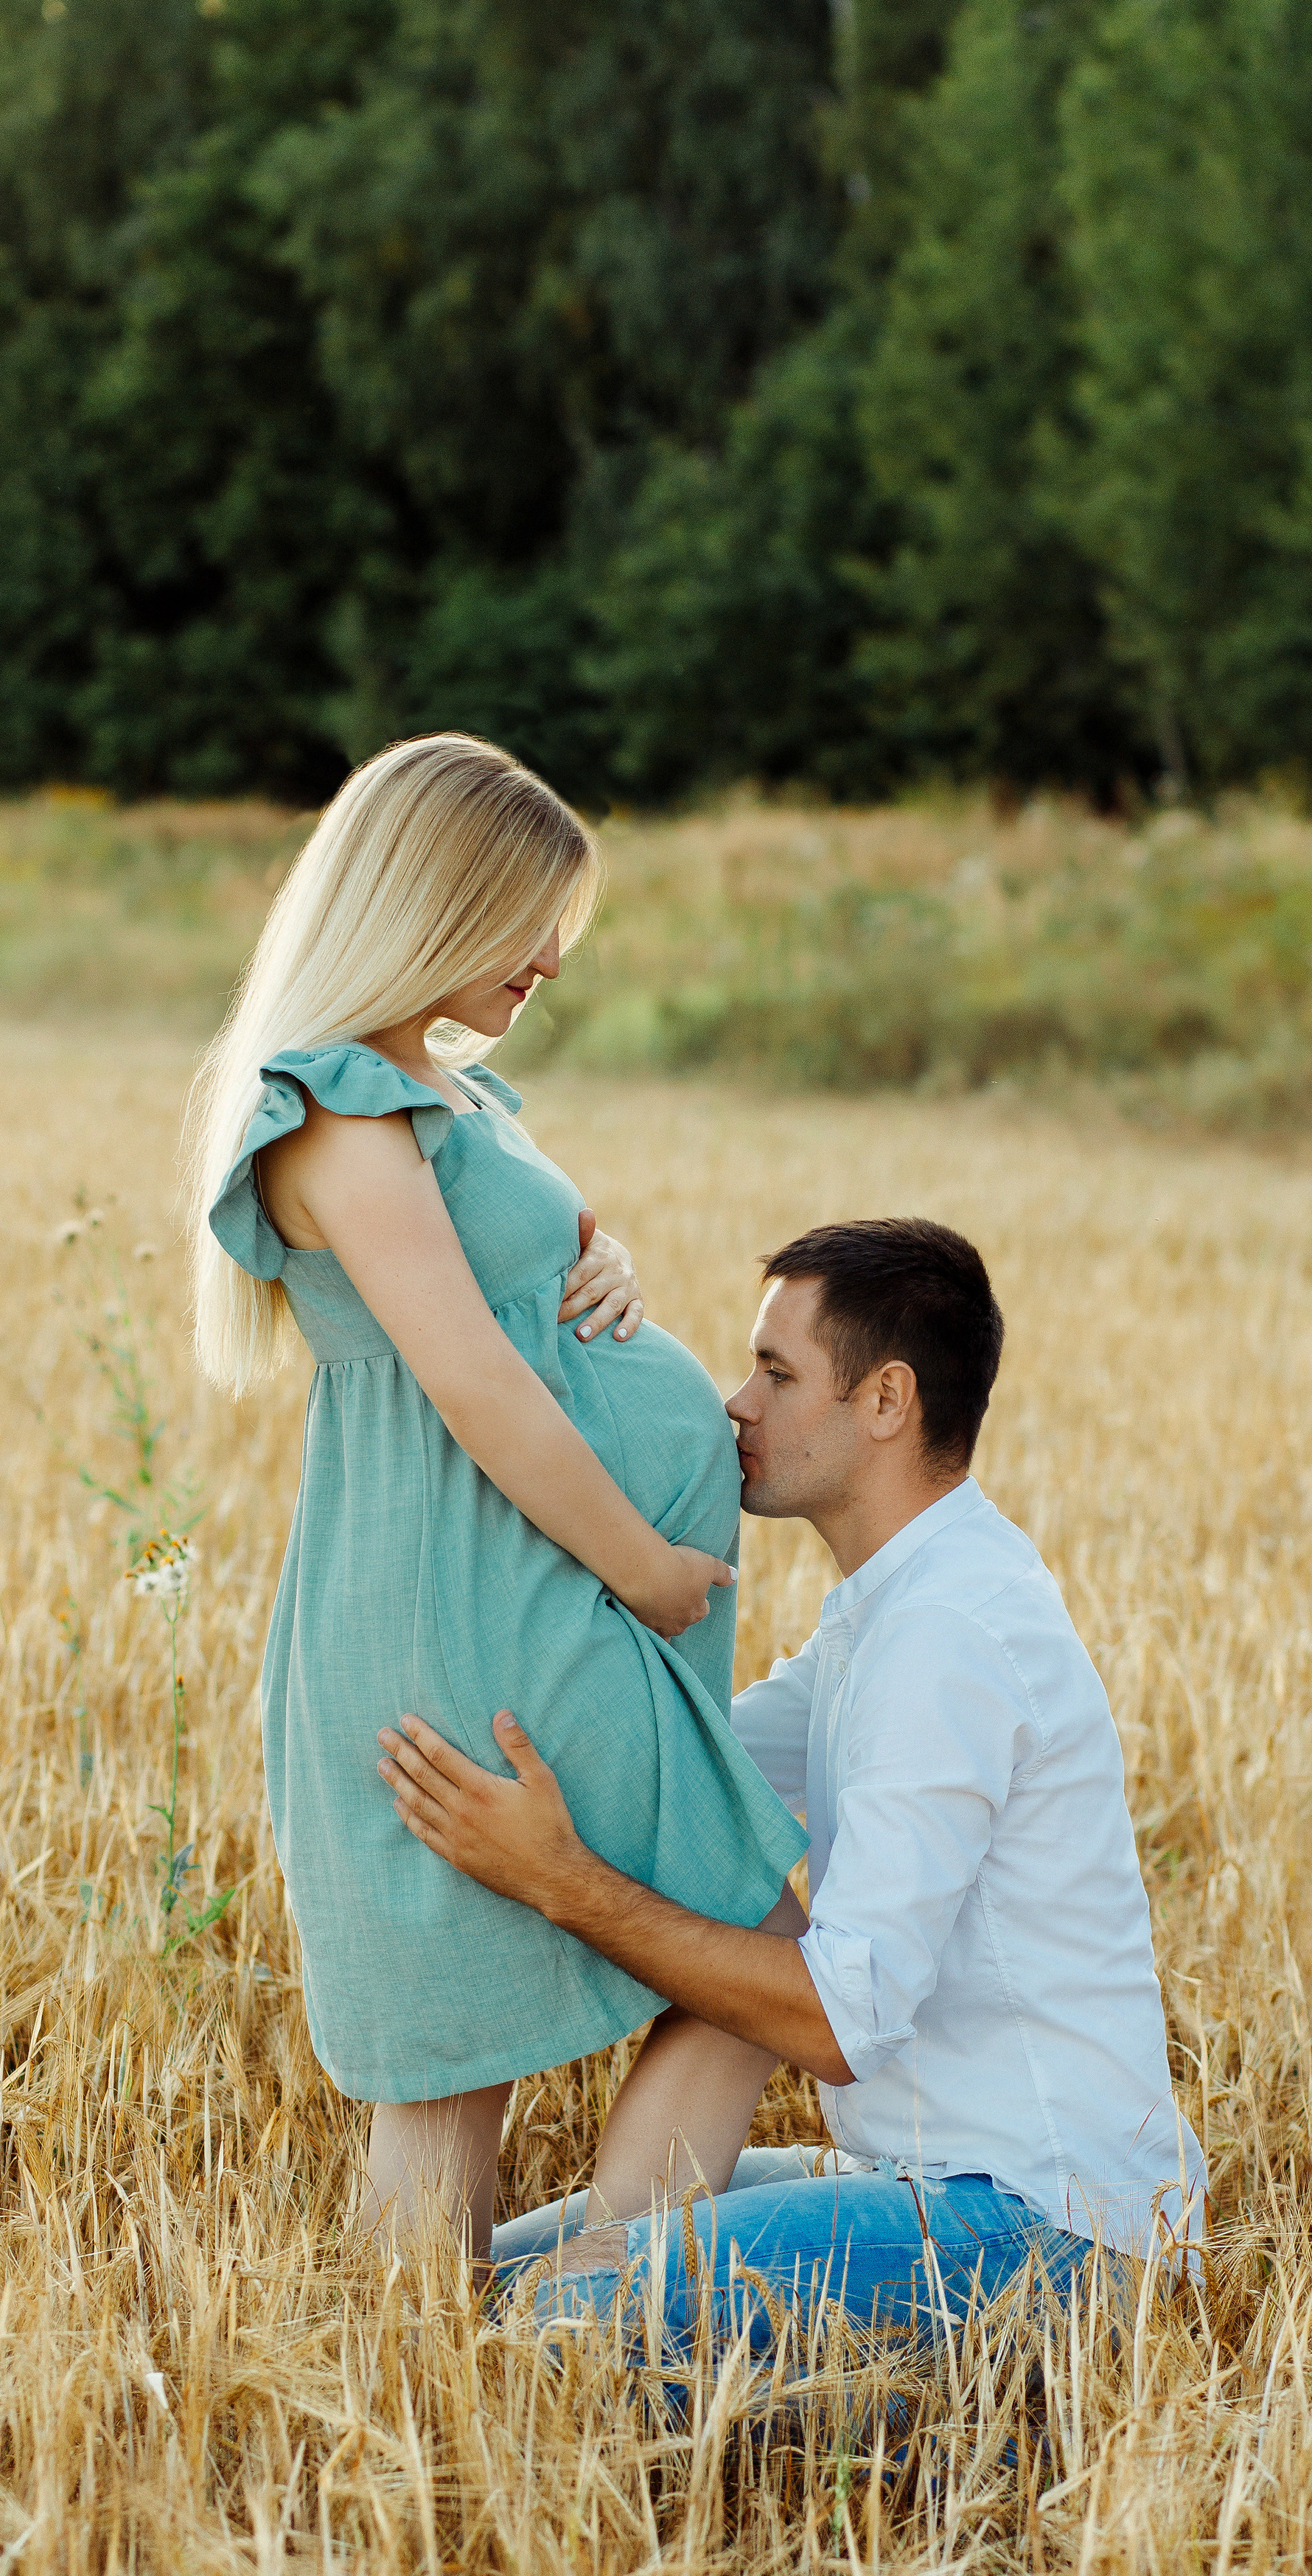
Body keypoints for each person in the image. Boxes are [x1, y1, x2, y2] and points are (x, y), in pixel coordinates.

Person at [188, 732, 809, 2268]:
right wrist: (644, 1570)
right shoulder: (337, 1112)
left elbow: (518, 1280)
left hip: (508, 1595)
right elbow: (473, 1382)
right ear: (432, 899)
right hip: (482, 1606)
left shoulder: (441, 1094)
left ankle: (512, 2350)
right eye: (528, 918)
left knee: (462, 2063)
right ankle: (599, 2305)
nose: (551, 957)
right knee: (743, 1955)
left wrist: (606, 1261)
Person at [377, 1218, 1207, 2348]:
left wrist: (561, 1883)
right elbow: (692, 1782)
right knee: (475, 2289)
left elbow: (836, 2020)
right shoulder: (890, 1610)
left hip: (1046, 2230)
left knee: (563, 2320)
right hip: (913, 2177)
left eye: (776, 1373)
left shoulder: (951, 1635)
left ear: (886, 1401)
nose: (739, 1404)